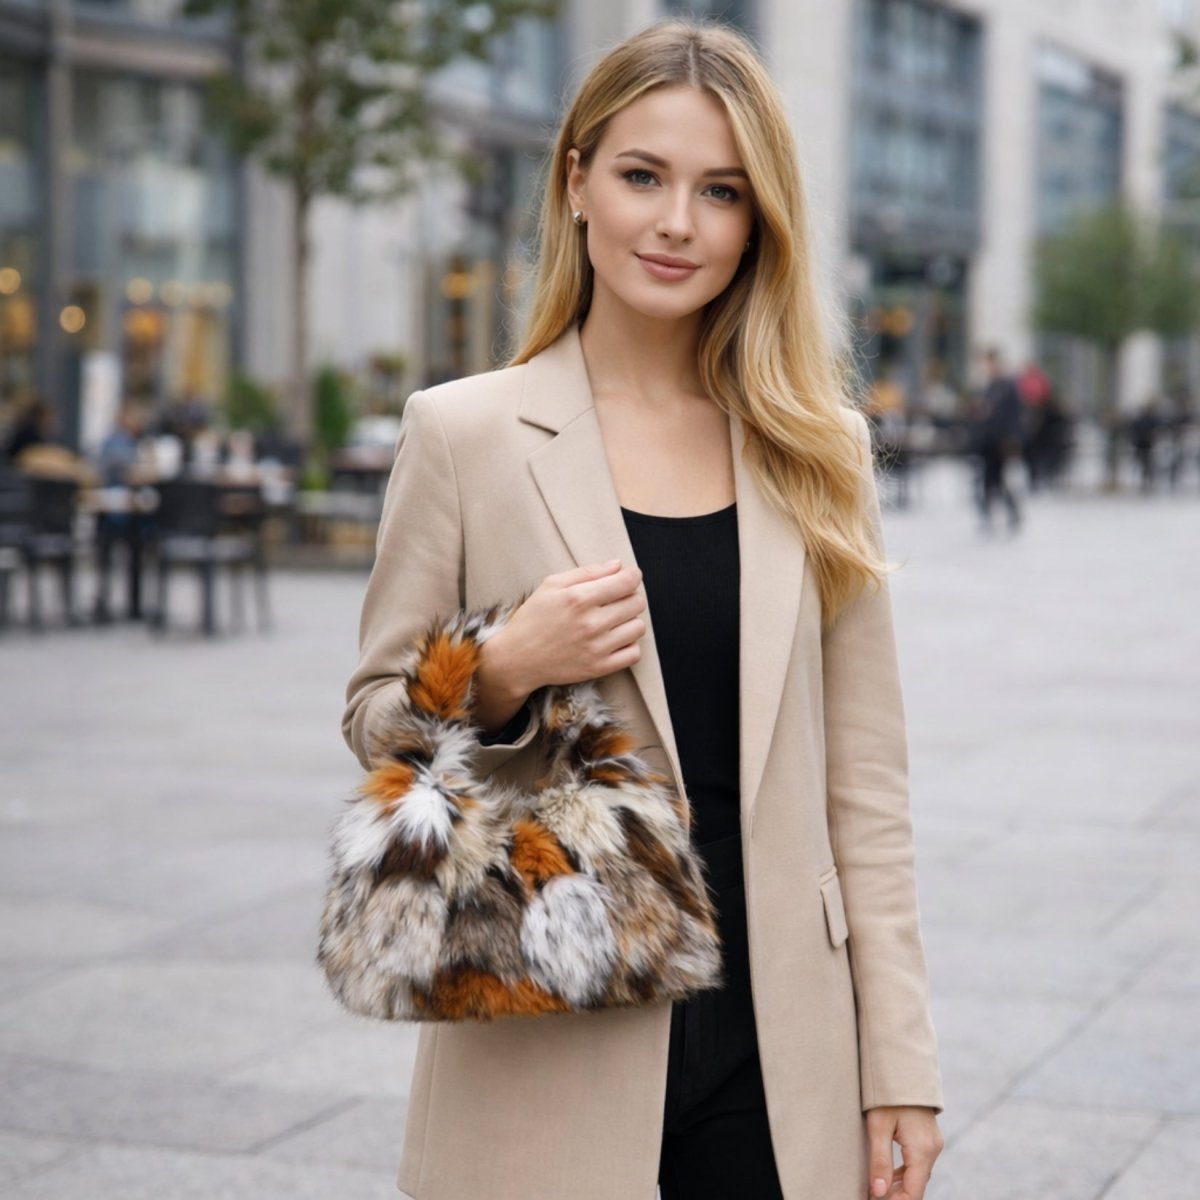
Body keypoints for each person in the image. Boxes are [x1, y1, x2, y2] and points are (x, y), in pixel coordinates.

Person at [343, 21, 943, 1200]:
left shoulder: (817, 452)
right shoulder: (464, 433)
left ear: (758, 221)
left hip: (783, 1037)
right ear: (576, 183)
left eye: (720, 191)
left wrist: (901, 1064)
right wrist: (500, 665)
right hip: (548, 1014)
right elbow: (375, 722)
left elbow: (868, 791)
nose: (677, 222)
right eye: (642, 176)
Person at [975, 347, 1023, 532]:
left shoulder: (1008, 387)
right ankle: (990, 515)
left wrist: (1012, 439)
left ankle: (1009, 513)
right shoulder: (990, 387)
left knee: (999, 479)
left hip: (1002, 441)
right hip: (988, 441)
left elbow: (1015, 416)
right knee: (989, 480)